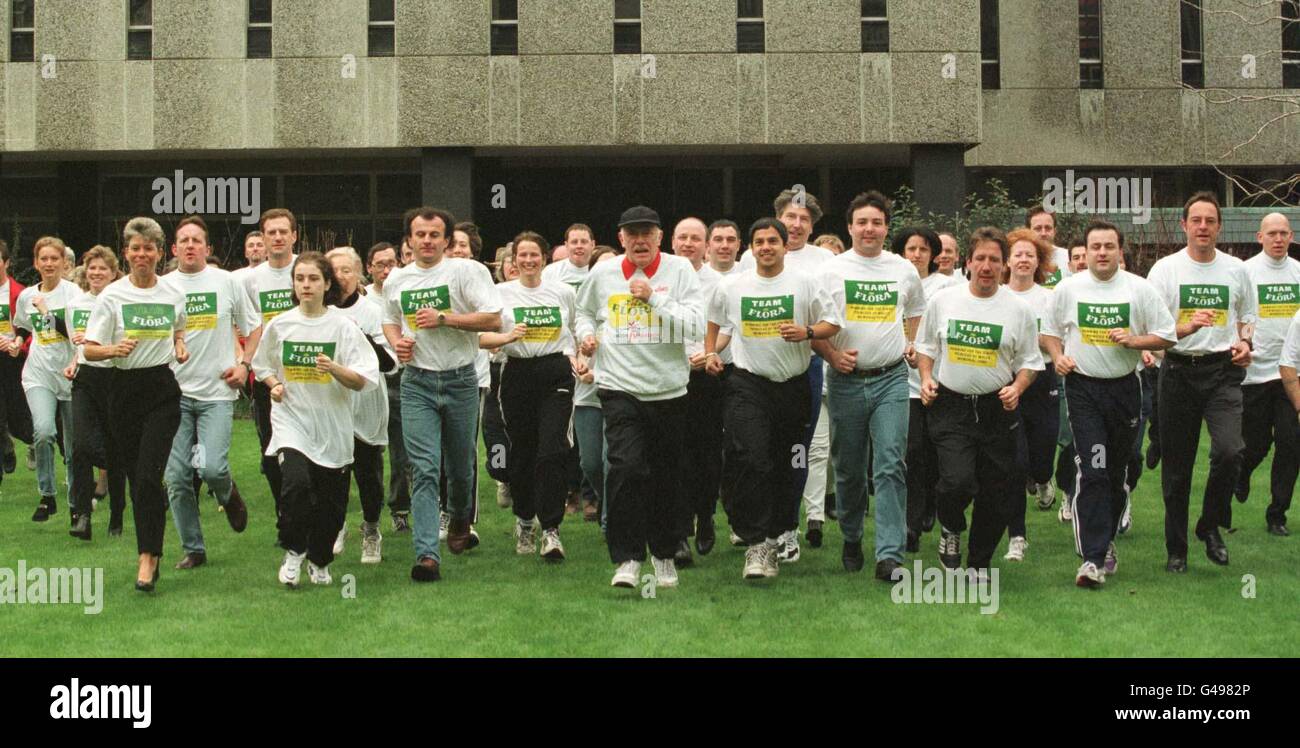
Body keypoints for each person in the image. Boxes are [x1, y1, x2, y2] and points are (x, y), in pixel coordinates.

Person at [575, 205, 703, 590]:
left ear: (660, 238)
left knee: (665, 474)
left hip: (668, 389)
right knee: (626, 468)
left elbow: (695, 325)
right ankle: (628, 558)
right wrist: (586, 336)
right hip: (619, 386)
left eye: (647, 233)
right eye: (632, 234)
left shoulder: (680, 271)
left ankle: (663, 555)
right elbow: (582, 313)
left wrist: (654, 300)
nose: (640, 240)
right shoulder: (603, 273)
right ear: (620, 239)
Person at [1043, 220, 1176, 587]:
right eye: (1095, 247)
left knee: (1117, 473)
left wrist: (1134, 342)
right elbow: (1049, 333)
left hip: (1125, 391)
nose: (1101, 253)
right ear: (1085, 253)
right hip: (1084, 390)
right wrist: (1058, 356)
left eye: (1108, 246)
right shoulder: (1069, 289)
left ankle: (1108, 539)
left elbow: (1167, 337)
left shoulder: (1140, 289)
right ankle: (1092, 558)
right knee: (1094, 470)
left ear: (1120, 250)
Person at [708, 217, 840, 580]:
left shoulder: (805, 282)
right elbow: (715, 321)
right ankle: (756, 545)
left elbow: (833, 323)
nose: (765, 247)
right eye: (759, 242)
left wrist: (807, 332)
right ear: (751, 248)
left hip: (794, 387)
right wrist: (710, 352)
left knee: (791, 463)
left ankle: (780, 530)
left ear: (785, 246)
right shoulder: (733, 285)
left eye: (772, 241)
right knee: (752, 457)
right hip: (748, 384)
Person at [381, 207, 502, 583]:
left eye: (435, 235)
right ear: (409, 240)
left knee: (461, 466)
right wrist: (396, 342)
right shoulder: (397, 280)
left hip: (461, 380)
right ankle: (426, 556)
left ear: (447, 240)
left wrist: (446, 318)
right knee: (425, 468)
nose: (428, 241)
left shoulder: (467, 272)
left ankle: (461, 515)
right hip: (416, 382)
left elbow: (494, 318)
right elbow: (390, 319)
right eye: (421, 235)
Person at [916, 227, 1043, 574]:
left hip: (996, 410)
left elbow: (1031, 361)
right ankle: (951, 528)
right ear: (967, 262)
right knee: (956, 481)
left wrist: (1017, 387)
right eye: (981, 258)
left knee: (996, 492)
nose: (987, 266)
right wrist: (927, 378)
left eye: (995, 260)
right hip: (951, 406)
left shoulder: (1018, 309)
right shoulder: (944, 301)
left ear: (1004, 267)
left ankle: (979, 561)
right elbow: (926, 347)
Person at [252, 252, 380, 587]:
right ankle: (293, 551)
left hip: (334, 428)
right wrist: (275, 385)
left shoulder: (343, 327)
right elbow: (261, 365)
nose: (306, 285)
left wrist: (334, 368)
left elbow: (363, 379)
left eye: (313, 279)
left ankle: (320, 560)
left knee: (331, 506)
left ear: (327, 284)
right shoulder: (280, 325)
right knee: (295, 485)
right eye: (300, 279)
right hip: (292, 422)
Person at [1145, 192, 1257, 572]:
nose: (1204, 227)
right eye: (1197, 220)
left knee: (1229, 451)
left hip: (1222, 372)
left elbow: (1247, 317)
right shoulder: (1165, 270)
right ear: (1184, 226)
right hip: (1177, 372)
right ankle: (1176, 549)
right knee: (1177, 469)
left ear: (1219, 227)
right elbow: (1154, 329)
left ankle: (1210, 525)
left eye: (1210, 221)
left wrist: (1244, 341)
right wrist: (1186, 327)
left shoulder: (1237, 270)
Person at [815, 193, 922, 579]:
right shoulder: (832, 270)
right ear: (849, 227)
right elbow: (815, 324)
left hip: (891, 378)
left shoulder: (903, 269)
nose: (869, 229)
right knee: (848, 468)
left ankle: (889, 554)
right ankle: (851, 534)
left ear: (886, 227)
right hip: (845, 381)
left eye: (877, 222)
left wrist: (911, 341)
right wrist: (831, 356)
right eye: (862, 222)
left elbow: (915, 310)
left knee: (891, 463)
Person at [83, 217, 189, 592]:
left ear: (160, 253)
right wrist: (114, 349)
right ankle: (151, 523)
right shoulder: (111, 296)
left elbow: (179, 325)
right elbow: (90, 350)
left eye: (149, 248)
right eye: (135, 248)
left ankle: (149, 557)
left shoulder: (173, 292)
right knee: (137, 478)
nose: (141, 254)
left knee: (147, 476)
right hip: (122, 390)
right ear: (126, 253)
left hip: (161, 389)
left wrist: (179, 345)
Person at [162, 216, 258, 569]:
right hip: (172, 395)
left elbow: (254, 327)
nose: (190, 245)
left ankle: (228, 492)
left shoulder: (226, 282)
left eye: (196, 240)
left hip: (217, 391)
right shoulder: (163, 286)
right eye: (183, 240)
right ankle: (194, 548)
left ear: (208, 248)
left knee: (213, 467)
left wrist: (244, 365)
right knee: (176, 477)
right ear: (174, 249)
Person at [494, 231, 581, 561]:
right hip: (517, 373)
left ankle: (551, 529)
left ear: (544, 258)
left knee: (552, 450)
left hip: (554, 373)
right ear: (513, 260)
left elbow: (571, 329)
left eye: (534, 255)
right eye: (522, 255)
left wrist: (575, 356)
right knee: (523, 452)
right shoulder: (501, 293)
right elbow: (485, 332)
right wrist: (505, 336)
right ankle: (524, 520)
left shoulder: (562, 292)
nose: (528, 260)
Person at [327, 247, 396, 564]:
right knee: (332, 472)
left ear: (358, 274)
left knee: (368, 473)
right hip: (330, 402)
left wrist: (361, 337)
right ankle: (335, 525)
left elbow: (389, 363)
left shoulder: (374, 310)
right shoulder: (318, 311)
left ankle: (371, 529)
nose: (340, 277)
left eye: (346, 270)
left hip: (366, 403)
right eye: (334, 271)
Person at [896, 228, 961, 553]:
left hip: (943, 383)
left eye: (924, 249)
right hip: (905, 386)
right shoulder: (895, 282)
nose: (917, 254)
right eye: (911, 248)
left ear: (933, 254)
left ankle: (934, 505)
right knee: (913, 453)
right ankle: (910, 525)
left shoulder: (948, 286)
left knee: (940, 454)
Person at [1235, 213, 1298, 536]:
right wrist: (1244, 343)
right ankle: (1242, 472)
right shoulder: (1246, 272)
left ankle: (1277, 513)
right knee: (1256, 443)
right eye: (1271, 233)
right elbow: (1240, 314)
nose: (1278, 239)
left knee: (1291, 443)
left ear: (1291, 236)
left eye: (1283, 233)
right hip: (1255, 373)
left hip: (1290, 374)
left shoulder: (1299, 273)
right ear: (1259, 237)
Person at [1001, 228, 1060, 562]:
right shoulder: (997, 295)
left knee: (1041, 456)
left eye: (1030, 255)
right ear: (1008, 261)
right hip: (1007, 381)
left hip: (1043, 378)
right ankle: (1017, 536)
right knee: (1015, 461)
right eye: (1018, 254)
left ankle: (1043, 479)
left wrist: (1038, 340)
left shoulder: (1049, 298)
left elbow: (1057, 338)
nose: (1023, 260)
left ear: (1039, 262)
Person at [241, 208, 299, 546]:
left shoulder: (307, 269)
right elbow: (243, 324)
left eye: (283, 232)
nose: (277, 237)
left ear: (294, 236)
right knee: (270, 451)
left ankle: (310, 512)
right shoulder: (247, 280)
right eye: (270, 232)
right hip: (266, 377)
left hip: (308, 374)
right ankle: (285, 513)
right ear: (262, 240)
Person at [14, 236, 80, 523]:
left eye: (55, 259)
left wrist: (47, 313)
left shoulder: (74, 294)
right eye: (44, 259)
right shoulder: (28, 296)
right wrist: (17, 340)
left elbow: (75, 334)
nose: (50, 263)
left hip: (70, 374)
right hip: (38, 373)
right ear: (36, 263)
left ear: (64, 263)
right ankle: (47, 496)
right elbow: (22, 325)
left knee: (74, 447)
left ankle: (77, 503)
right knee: (43, 432)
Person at [63, 247, 126, 539]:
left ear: (114, 273)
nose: (97, 273)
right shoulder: (76, 303)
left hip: (114, 376)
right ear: (85, 272)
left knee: (113, 445)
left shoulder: (122, 300)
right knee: (80, 444)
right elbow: (77, 344)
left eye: (103, 268)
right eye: (92, 268)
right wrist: (75, 359)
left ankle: (117, 515)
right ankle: (82, 515)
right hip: (85, 378)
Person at [673, 217, 726, 560]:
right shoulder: (662, 278)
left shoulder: (719, 283)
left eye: (696, 238)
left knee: (706, 454)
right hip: (668, 375)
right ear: (672, 241)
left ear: (706, 245)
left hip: (707, 376)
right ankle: (678, 532)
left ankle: (705, 515)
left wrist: (709, 353)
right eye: (683, 237)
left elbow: (728, 326)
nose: (689, 243)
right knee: (674, 455)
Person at [365, 241, 410, 530]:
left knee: (402, 451)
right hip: (371, 379)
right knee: (371, 452)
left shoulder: (406, 293)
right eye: (379, 264)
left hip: (402, 377)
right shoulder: (362, 298)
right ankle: (372, 512)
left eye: (391, 263)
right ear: (369, 268)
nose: (386, 269)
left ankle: (400, 510)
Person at [0, 239, 34, 489]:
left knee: (17, 415)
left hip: (12, 358)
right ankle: (4, 445)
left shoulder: (20, 293)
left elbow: (31, 330)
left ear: (7, 262)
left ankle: (26, 440)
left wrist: (17, 346)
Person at [1026, 205, 1074, 289]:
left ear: (1054, 231)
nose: (1043, 233)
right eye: (1038, 228)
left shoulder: (1068, 257)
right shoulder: (1020, 260)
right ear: (1028, 231)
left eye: (1048, 228)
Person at [541, 223, 595, 289]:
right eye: (574, 242)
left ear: (592, 244)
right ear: (566, 245)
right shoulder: (550, 271)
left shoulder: (603, 270)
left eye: (584, 242)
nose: (579, 246)